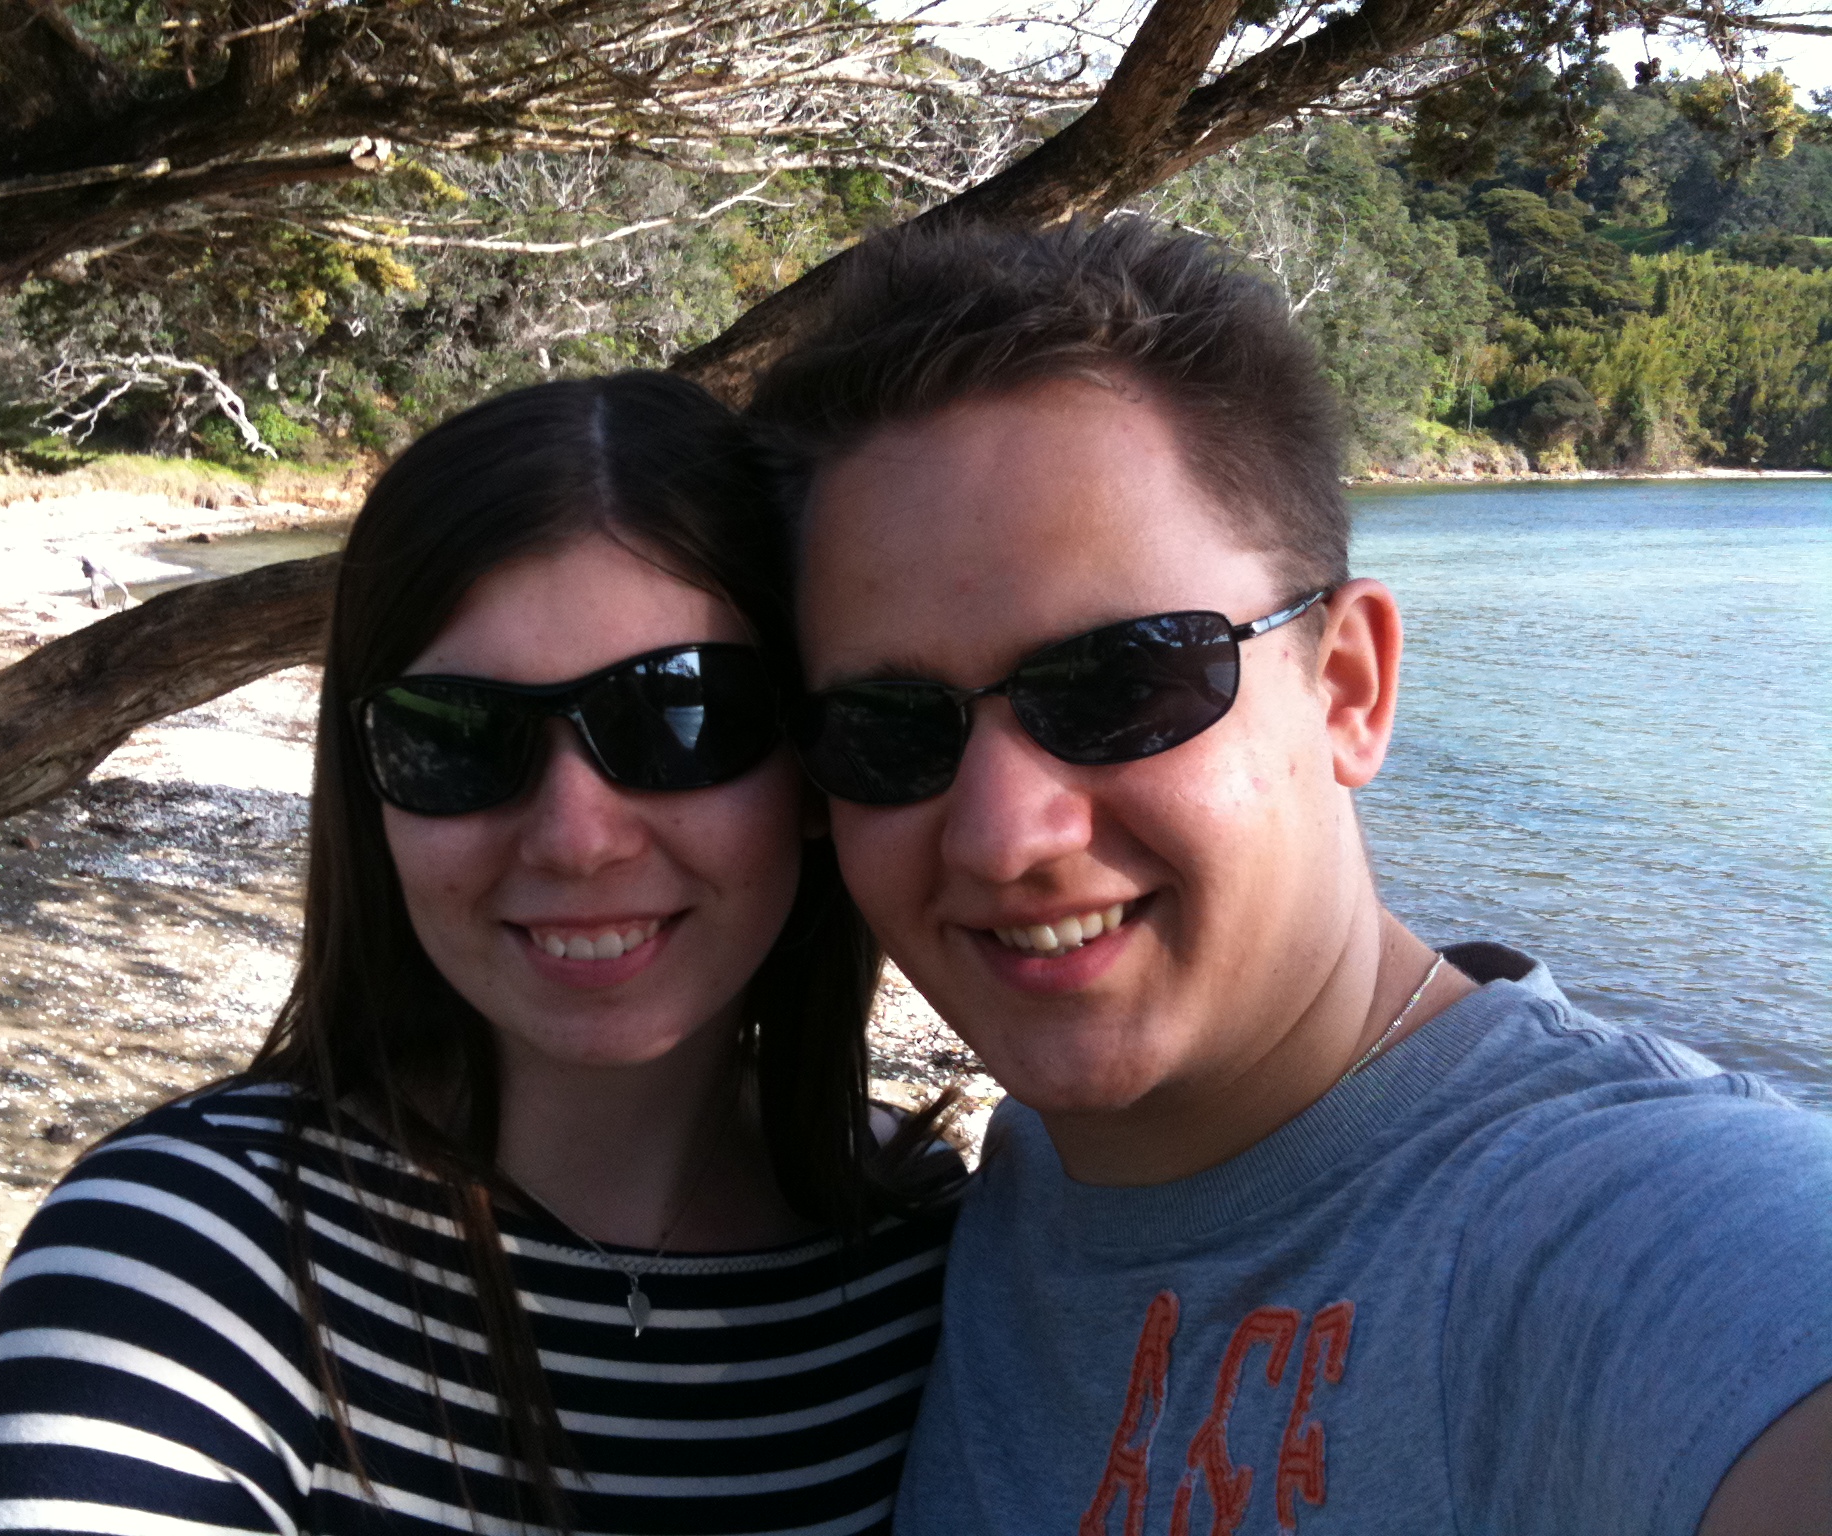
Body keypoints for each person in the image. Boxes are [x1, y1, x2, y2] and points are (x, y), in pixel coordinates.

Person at [751, 221, 1832, 1535]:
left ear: (1347, 689)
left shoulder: (1646, 1235)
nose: (1000, 835)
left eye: (1119, 684)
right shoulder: (994, 1207)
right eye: (888, 729)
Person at [0, 373, 959, 1535]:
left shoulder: (939, 1256)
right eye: (456, 736)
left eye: (679, 714)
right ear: (368, 791)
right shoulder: (183, 1256)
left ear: (815, 762)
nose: (574, 839)